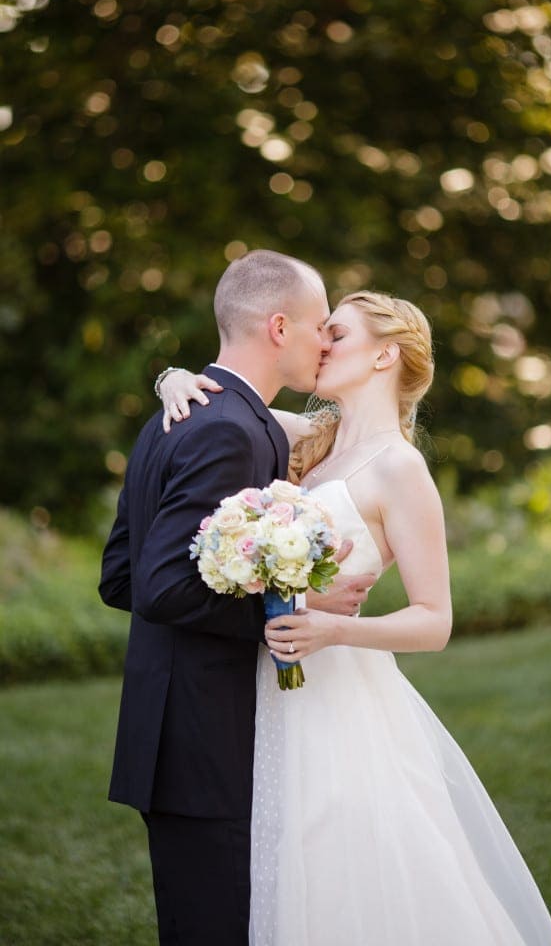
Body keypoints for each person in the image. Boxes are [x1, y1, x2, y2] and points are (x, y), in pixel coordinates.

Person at [160, 290, 551, 945]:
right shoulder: (310, 440)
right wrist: (173, 379)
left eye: (336, 334)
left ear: (385, 354)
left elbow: (434, 620)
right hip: (268, 686)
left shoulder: (400, 468)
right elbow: (230, 402)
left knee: (339, 858)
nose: (320, 345)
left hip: (341, 692)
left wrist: (336, 629)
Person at [98, 250, 375, 946]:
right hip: (203, 740)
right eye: (320, 326)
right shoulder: (227, 427)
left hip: (173, 733)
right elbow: (159, 586)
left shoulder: (185, 412)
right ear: (279, 327)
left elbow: (120, 576)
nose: (325, 341)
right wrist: (290, 610)